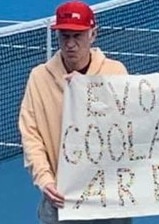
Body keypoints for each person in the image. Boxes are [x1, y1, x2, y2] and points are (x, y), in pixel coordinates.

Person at [19, 1, 131, 223]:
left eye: (77, 36)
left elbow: (129, 126)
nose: (70, 44)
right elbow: (31, 135)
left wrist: (89, 90)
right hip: (61, 203)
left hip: (109, 201)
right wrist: (45, 180)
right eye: (64, 36)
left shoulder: (116, 72)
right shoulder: (39, 78)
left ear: (93, 34)